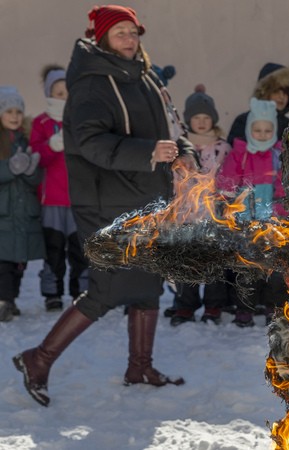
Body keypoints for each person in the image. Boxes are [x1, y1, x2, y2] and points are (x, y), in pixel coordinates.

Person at [13, 5, 198, 407]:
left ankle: (140, 367)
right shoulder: (92, 85)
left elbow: (165, 129)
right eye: (121, 33)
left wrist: (181, 150)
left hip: (145, 196)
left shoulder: (145, 77)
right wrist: (150, 152)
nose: (130, 39)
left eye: (134, 32)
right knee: (106, 289)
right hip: (106, 202)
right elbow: (90, 143)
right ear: (102, 39)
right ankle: (38, 359)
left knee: (148, 282)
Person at [217, 98, 289, 327]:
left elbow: (284, 182)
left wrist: (281, 206)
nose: (262, 134)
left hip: (272, 217)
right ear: (249, 129)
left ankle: (272, 305)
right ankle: (245, 307)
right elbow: (227, 180)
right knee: (247, 265)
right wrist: (231, 197)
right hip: (246, 218)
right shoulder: (241, 153)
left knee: (273, 265)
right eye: (257, 129)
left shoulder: (278, 155)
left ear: (274, 131)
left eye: (267, 130)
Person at [169, 85, 233, 325]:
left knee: (213, 261)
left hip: (212, 213)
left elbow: (228, 178)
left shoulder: (221, 147)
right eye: (197, 117)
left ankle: (213, 305)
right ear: (189, 120)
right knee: (187, 261)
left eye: (206, 117)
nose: (202, 122)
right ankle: (186, 304)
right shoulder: (179, 147)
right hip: (184, 212)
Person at [30, 64, 89, 313]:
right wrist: (52, 145)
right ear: (49, 94)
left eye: (67, 92)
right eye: (58, 93)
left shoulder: (81, 121)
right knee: (53, 249)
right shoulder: (41, 123)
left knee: (79, 249)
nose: (63, 97)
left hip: (78, 198)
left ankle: (81, 291)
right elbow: (36, 158)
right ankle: (52, 293)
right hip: (51, 199)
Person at [0, 86, 44, 322]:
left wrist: (29, 171)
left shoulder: (27, 140)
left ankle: (11, 300)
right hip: (3, 214)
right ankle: (3, 301)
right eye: (9, 111)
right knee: (3, 262)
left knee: (19, 263)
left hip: (24, 212)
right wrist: (10, 167)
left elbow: (36, 180)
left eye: (18, 111)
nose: (15, 116)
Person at [227, 63, 289, 145]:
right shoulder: (244, 120)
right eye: (276, 91)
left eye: (287, 93)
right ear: (265, 92)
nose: (281, 96)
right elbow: (233, 151)